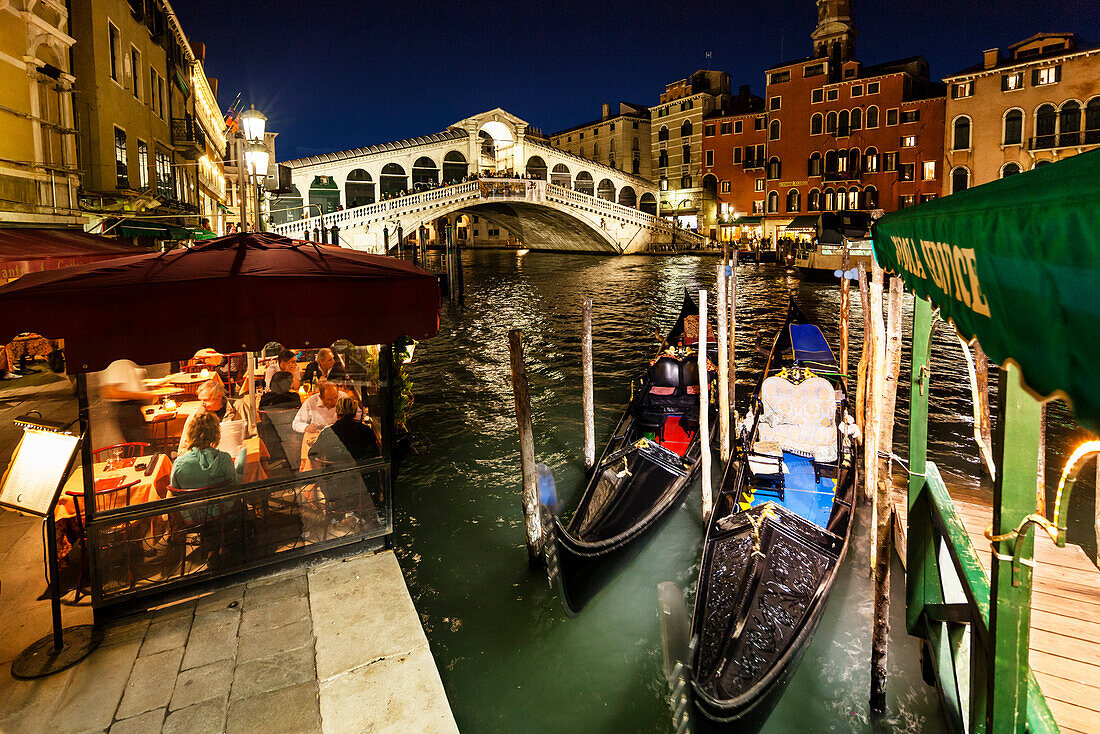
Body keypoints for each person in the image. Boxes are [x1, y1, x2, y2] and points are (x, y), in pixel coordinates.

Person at [178, 378, 256, 455]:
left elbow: (253, 435)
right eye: (201, 400)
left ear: (219, 396)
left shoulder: (238, 407)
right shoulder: (196, 416)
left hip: (236, 455)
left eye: (206, 400)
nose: (202, 404)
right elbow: (183, 447)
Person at [308, 397, 380, 465]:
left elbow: (312, 454)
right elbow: (375, 455)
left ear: (337, 414)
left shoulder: (328, 432)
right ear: (354, 413)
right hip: (359, 474)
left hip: (335, 475)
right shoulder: (366, 431)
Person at [100, 358, 153, 444]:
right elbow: (109, 391)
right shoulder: (119, 363)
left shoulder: (126, 362)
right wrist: (143, 395)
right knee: (139, 445)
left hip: (132, 409)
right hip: (127, 409)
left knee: (139, 443)